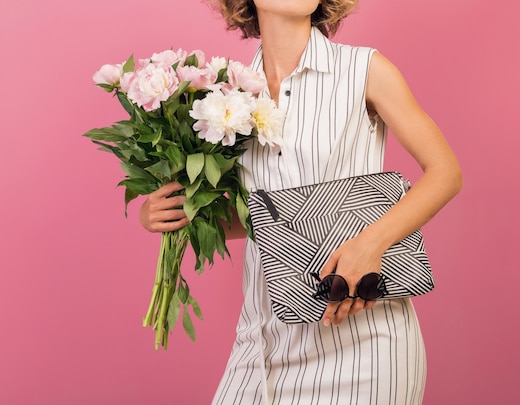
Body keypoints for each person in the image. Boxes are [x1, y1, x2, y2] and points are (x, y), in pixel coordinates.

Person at [139, 0, 463, 403]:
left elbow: (445, 173)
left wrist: (370, 245)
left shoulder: (365, 70)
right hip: (262, 342)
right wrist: (168, 214)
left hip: (365, 342)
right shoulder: (221, 95)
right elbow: (255, 219)